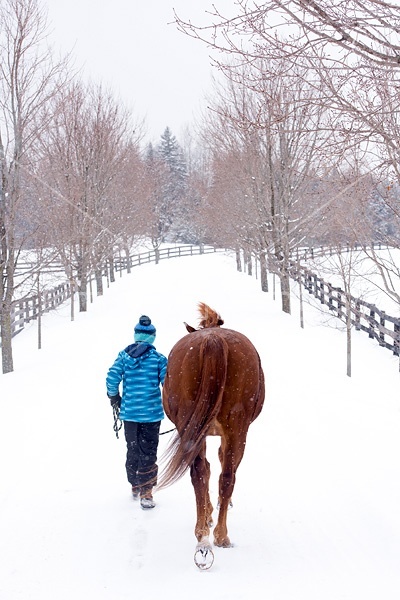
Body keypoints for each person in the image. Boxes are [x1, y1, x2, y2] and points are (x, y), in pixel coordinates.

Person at [106, 315, 168, 510]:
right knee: (148, 450)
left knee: (132, 448)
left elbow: (111, 377)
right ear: (153, 338)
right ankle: (146, 491)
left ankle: (134, 483)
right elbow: (169, 385)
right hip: (151, 415)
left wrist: (114, 396)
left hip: (130, 414)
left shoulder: (123, 357)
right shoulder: (159, 359)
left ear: (136, 336)